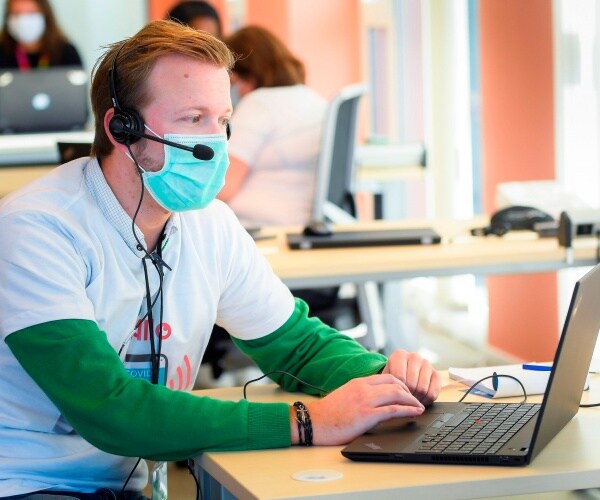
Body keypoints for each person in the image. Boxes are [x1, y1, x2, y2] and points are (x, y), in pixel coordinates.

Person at [0, 20, 441, 498]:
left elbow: (296, 347)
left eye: (224, 121)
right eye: (193, 119)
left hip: (127, 486)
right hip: (24, 483)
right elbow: (111, 409)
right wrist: (308, 422)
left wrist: (382, 380)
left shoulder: (210, 225)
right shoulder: (37, 229)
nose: (215, 142)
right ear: (121, 129)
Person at [220, 25, 328, 227]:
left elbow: (223, 187)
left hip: (256, 228)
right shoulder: (314, 100)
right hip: (297, 224)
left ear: (249, 75)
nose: (235, 91)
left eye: (233, 82)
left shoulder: (259, 104)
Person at [0, 0, 82, 69]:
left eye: (31, 13)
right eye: (16, 13)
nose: (23, 21)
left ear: (45, 16)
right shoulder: (2, 52)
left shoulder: (66, 52)